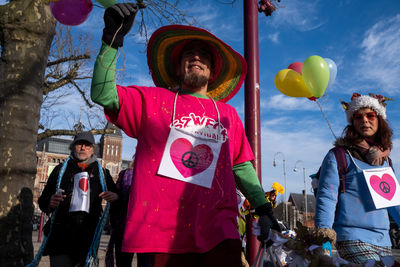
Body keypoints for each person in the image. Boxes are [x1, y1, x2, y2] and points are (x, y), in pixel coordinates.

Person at [90, 3, 280, 267]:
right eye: (188, 55)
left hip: (219, 231)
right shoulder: (151, 101)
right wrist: (112, 39)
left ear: (213, 72)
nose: (196, 58)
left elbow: (241, 166)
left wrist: (263, 207)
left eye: (204, 55)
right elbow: (102, 94)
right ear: (178, 69)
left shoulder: (228, 115)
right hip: (159, 231)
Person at [314, 93, 400, 265]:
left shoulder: (386, 161)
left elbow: (394, 201)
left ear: (380, 119)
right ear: (352, 121)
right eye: (358, 116)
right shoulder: (339, 155)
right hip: (351, 237)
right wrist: (324, 239)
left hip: (384, 241)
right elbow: (327, 197)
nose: (365, 120)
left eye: (370, 115)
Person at [38, 132, 119, 267]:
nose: (83, 148)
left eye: (87, 145)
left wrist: (116, 197)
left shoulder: (103, 173)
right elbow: (43, 201)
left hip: (88, 238)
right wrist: (49, 202)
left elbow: (118, 199)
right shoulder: (59, 170)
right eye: (79, 144)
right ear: (73, 147)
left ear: (93, 149)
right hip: (61, 237)